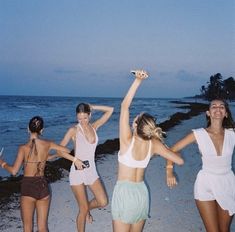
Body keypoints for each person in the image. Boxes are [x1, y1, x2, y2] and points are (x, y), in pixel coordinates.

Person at [111, 70, 184, 232]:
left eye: (136, 117)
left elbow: (124, 107)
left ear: (136, 125)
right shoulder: (155, 144)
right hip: (141, 193)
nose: (133, 118)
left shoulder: (126, 142)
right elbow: (179, 160)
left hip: (124, 193)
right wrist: (169, 169)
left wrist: (138, 80)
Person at [0, 116, 81, 232]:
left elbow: (14, 171)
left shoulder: (22, 148)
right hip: (43, 187)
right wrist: (51, 155)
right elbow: (66, 151)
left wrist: (2, 163)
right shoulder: (47, 144)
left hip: (28, 187)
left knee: (28, 228)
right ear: (42, 130)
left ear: (28, 129)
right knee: (43, 227)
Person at [166, 99, 235, 232]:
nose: (217, 108)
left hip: (228, 183)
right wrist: (169, 171)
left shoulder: (232, 133)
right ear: (208, 113)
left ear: (226, 113)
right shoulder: (198, 134)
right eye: (214, 106)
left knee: (224, 229)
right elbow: (173, 149)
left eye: (221, 106)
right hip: (205, 183)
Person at [59, 103, 114, 232]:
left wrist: (93, 106)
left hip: (91, 171)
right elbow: (60, 151)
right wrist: (74, 159)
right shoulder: (74, 130)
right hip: (77, 172)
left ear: (90, 115)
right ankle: (84, 211)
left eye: (85, 117)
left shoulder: (94, 127)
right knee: (82, 211)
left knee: (103, 201)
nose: (82, 121)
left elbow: (110, 110)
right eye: (79, 118)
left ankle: (85, 208)